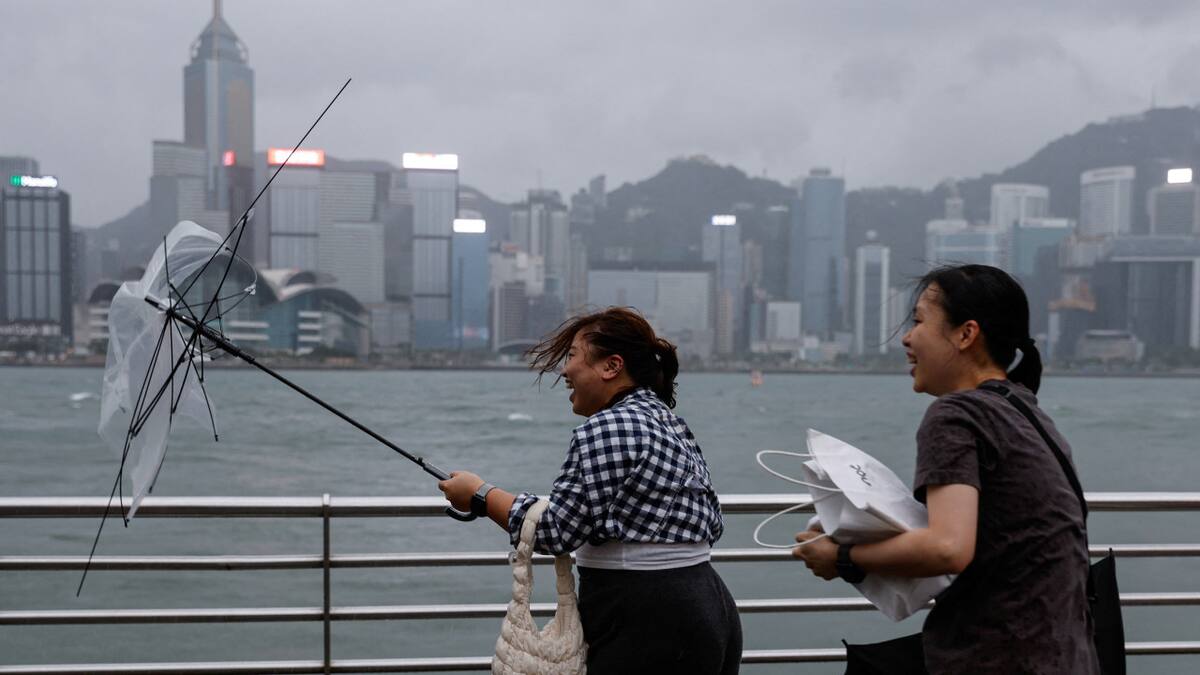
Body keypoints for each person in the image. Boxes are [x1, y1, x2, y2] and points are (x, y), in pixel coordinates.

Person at [794, 264, 1100, 674]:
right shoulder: (1026, 411)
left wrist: (843, 557)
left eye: (918, 320)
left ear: (966, 334)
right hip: (1067, 655)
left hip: (1000, 658)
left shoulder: (957, 414)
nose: (906, 336)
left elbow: (948, 548)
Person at [438, 307, 742, 674]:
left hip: (648, 618)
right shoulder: (666, 419)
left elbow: (556, 532)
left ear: (611, 367)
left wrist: (480, 495)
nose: (564, 371)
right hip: (708, 606)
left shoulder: (608, 426)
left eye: (572, 357)